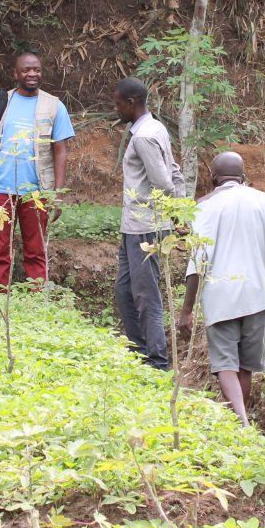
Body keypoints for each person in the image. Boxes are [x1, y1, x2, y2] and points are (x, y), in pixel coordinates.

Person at [175, 152, 265, 423]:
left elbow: (199, 259)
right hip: (258, 295)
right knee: (245, 365)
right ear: (243, 178)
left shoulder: (203, 206)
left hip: (220, 297)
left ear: (212, 178)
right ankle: (241, 422)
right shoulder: (264, 200)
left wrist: (187, 309)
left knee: (225, 365)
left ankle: (240, 423)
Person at [0, 51, 76, 286]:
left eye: (37, 70)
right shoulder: (0, 102)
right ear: (15, 73)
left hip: (36, 191)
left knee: (36, 249)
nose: (32, 74)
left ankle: (36, 297)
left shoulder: (54, 106)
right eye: (26, 70)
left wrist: (57, 194)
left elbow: (60, 150)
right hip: (0, 187)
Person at [112, 76, 183, 370]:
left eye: (118, 104)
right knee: (124, 290)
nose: (115, 109)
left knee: (145, 295)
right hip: (135, 225)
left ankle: (157, 361)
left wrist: (175, 211)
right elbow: (175, 169)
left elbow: (164, 181)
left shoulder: (143, 136)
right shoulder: (154, 128)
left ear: (131, 103)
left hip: (146, 227)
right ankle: (139, 351)